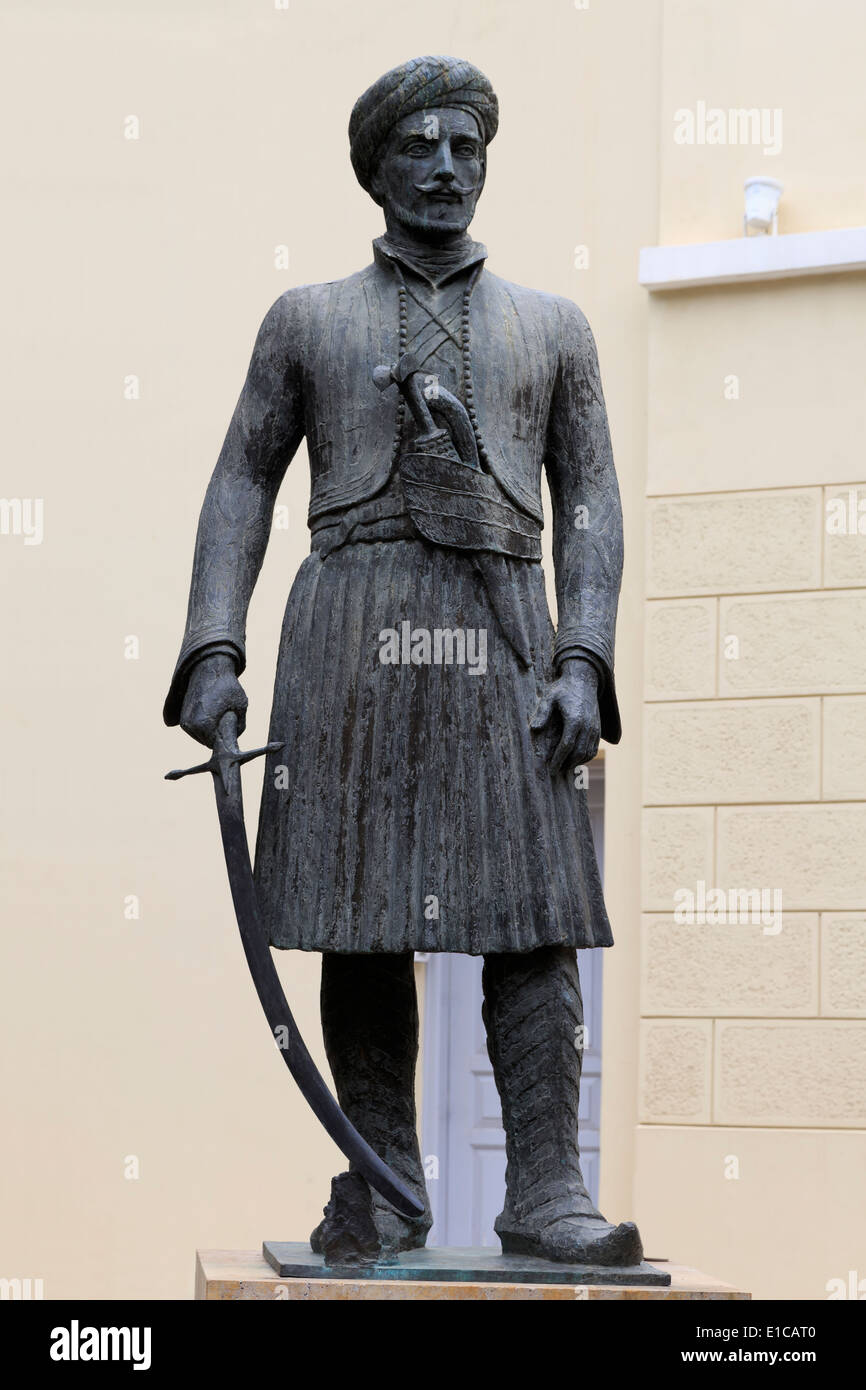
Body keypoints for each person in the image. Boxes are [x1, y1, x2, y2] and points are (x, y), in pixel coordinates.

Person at [165, 55, 641, 1266]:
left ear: (484, 163)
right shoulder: (306, 320)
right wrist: (211, 648)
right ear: (374, 167)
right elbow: (241, 483)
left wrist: (582, 654)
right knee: (364, 924)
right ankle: (384, 1185)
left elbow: (587, 498)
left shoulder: (554, 328)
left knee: (533, 921)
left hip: (504, 637)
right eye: (418, 148)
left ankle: (544, 1188)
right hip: (350, 634)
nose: (442, 168)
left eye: (464, 148)